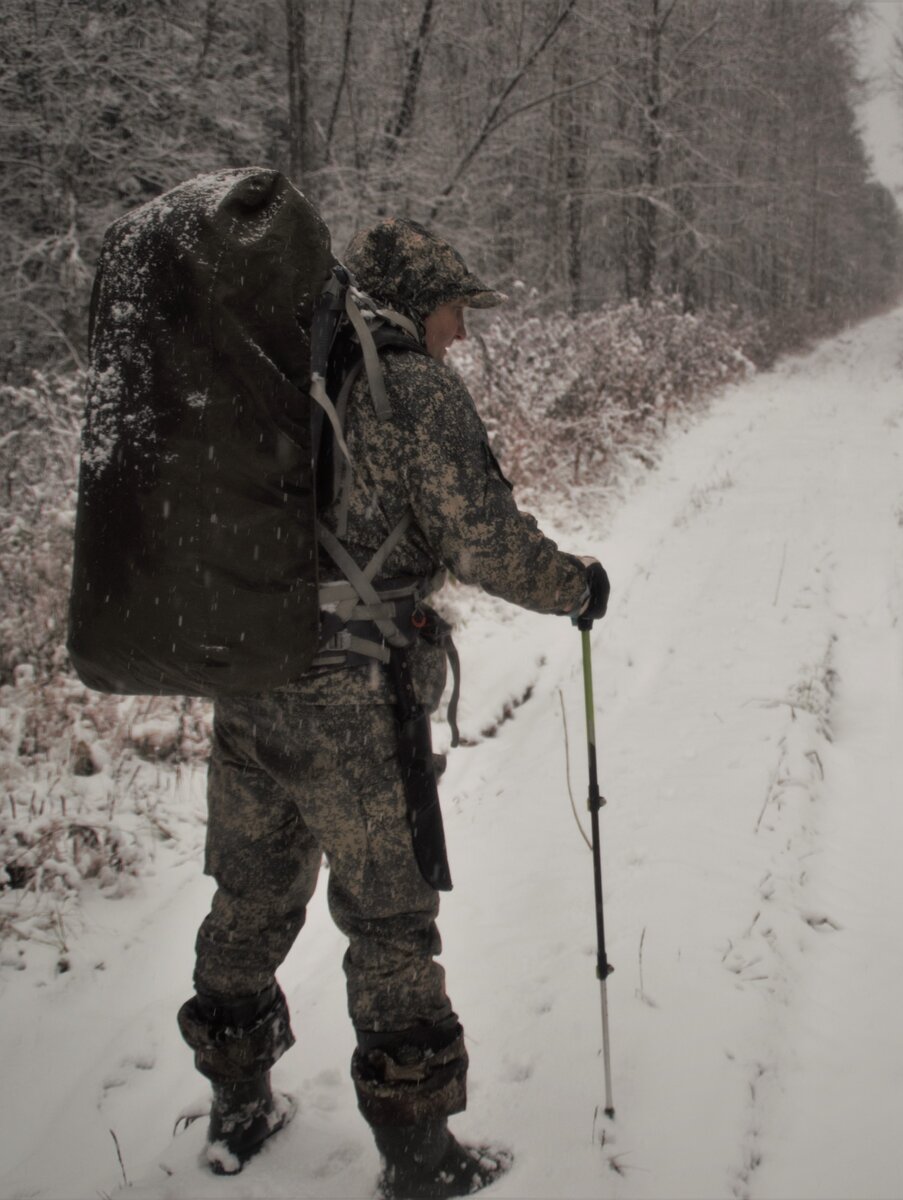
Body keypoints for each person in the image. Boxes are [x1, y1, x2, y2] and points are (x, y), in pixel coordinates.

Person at [176, 218, 610, 1198]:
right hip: (354, 696)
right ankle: (421, 1158)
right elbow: (485, 540)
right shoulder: (411, 387)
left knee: (249, 897)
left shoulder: (277, 373)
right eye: (455, 308)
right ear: (418, 299)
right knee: (389, 925)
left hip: (249, 681)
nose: (461, 330)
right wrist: (577, 586)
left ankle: (237, 1108)